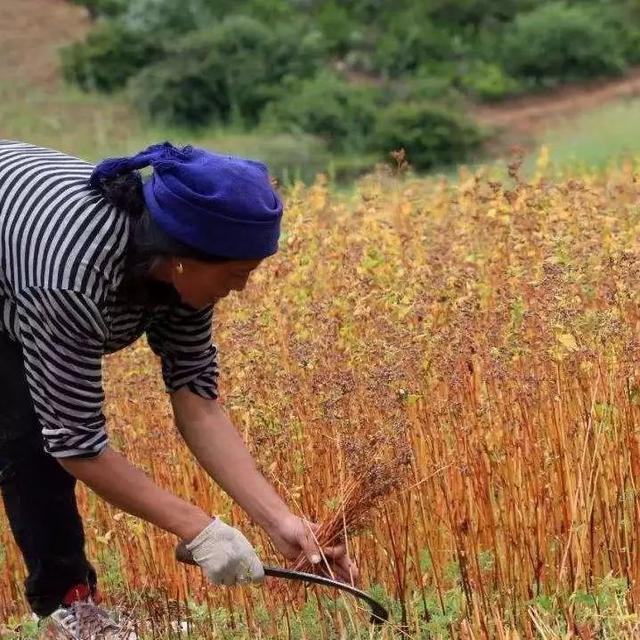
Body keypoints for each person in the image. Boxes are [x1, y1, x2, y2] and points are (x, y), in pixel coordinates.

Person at [0, 140, 357, 638]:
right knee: (29, 440)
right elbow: (77, 444)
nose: (241, 289)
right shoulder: (71, 284)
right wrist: (198, 528)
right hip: (29, 260)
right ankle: (71, 609)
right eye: (236, 274)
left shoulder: (180, 267)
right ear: (185, 257)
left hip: (24, 247)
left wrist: (282, 523)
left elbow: (199, 402)